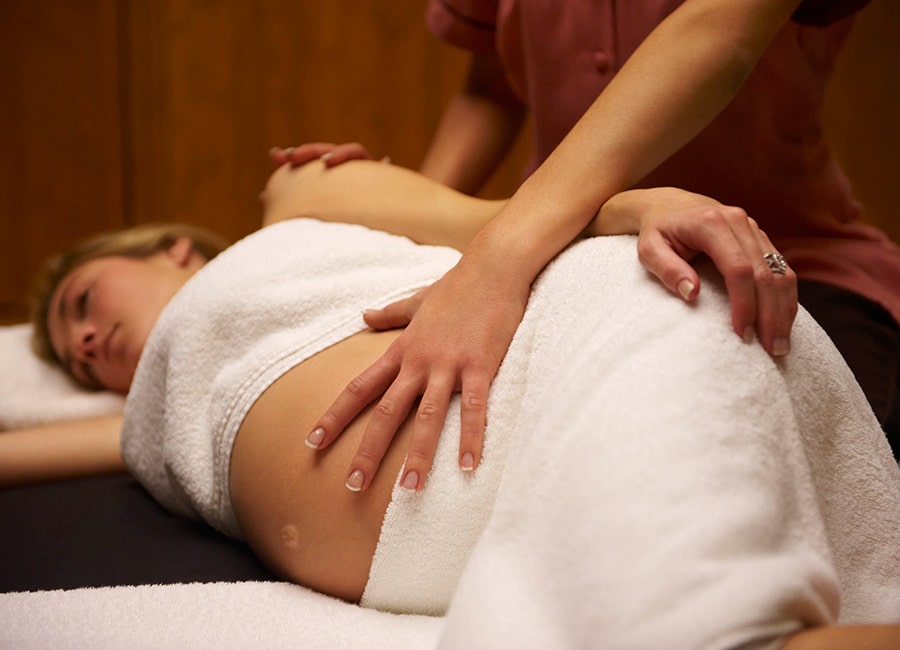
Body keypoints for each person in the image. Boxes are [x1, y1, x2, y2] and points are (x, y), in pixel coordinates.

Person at [7, 158, 900, 648]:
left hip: (598, 329)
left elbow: (499, 218)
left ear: (170, 248)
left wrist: (643, 202)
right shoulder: (146, 420)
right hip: (515, 467)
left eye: (83, 300)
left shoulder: (296, 205)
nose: (84, 341)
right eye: (69, 353)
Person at [275, 0, 900, 492]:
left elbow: (719, 30)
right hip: (551, 259)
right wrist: (406, 206)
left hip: (791, 260)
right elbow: (491, 86)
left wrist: (496, 249)